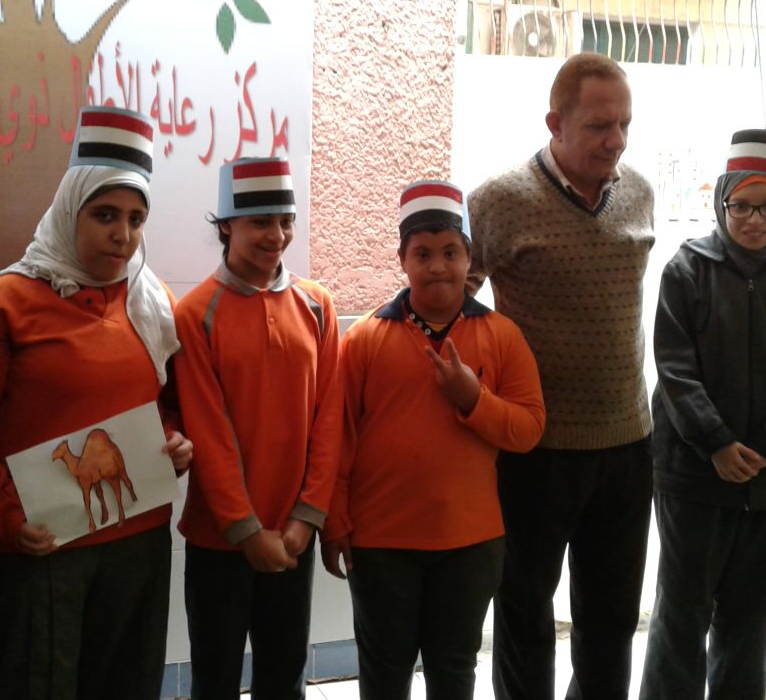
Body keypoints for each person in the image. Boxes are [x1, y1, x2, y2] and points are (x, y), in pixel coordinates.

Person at [0, 106, 191, 699]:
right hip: (39, 549)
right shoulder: (3, 308)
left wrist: (173, 442)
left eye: (136, 219)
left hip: (136, 541)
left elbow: (167, 402)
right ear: (69, 211)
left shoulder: (151, 301)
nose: (123, 235)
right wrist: (7, 520)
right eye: (105, 215)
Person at [466, 52, 656, 700]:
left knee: (611, 620)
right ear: (555, 123)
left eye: (625, 124)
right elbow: (452, 304)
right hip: (535, 451)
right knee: (523, 611)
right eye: (600, 125)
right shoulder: (498, 201)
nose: (617, 140)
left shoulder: (640, 192)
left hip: (628, 445)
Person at [321, 180, 546, 699]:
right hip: (380, 543)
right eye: (422, 254)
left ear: (469, 258)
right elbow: (337, 435)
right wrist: (334, 520)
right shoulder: (365, 339)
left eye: (450, 252)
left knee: (453, 672)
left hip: (470, 545)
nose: (438, 266)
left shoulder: (502, 336)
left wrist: (473, 400)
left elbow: (530, 428)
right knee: (384, 673)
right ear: (403, 260)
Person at [638, 129, 766, 700]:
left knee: (750, 617)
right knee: (682, 613)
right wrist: (716, 443)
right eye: (740, 205)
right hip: (694, 476)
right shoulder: (688, 270)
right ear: (721, 200)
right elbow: (675, 368)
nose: (753, 219)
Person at [176, 157, 342, 699]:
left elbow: (329, 419)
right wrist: (246, 530)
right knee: (215, 678)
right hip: (220, 538)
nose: (277, 236)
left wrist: (307, 518)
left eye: (286, 221)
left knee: (284, 677)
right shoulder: (196, 313)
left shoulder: (317, 305)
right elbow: (207, 429)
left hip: (294, 535)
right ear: (226, 225)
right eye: (260, 222)